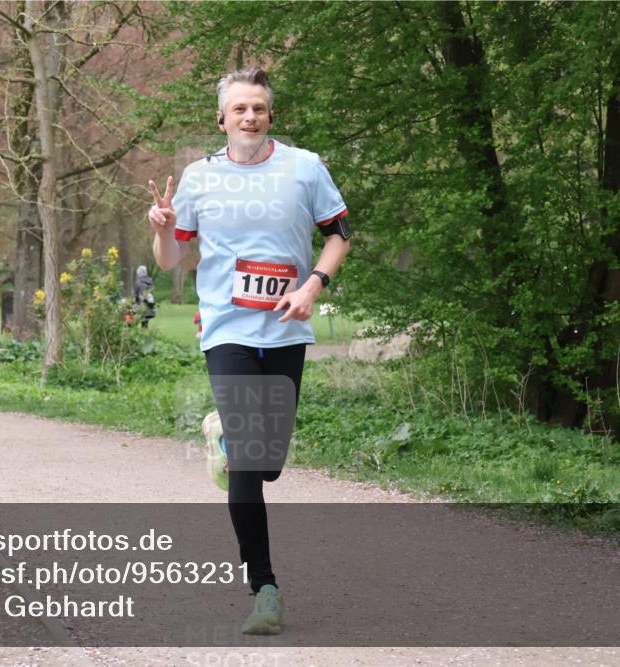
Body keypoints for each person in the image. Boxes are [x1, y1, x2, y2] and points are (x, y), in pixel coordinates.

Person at [146, 67, 351, 635]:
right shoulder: (198, 177)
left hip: (286, 327)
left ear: (270, 116)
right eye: (239, 108)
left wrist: (313, 284)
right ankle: (264, 588)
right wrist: (162, 227)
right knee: (247, 465)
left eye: (258, 107)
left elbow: (339, 233)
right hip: (226, 328)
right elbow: (170, 261)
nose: (250, 116)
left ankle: (226, 436)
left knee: (269, 464)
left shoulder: (305, 168)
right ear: (222, 118)